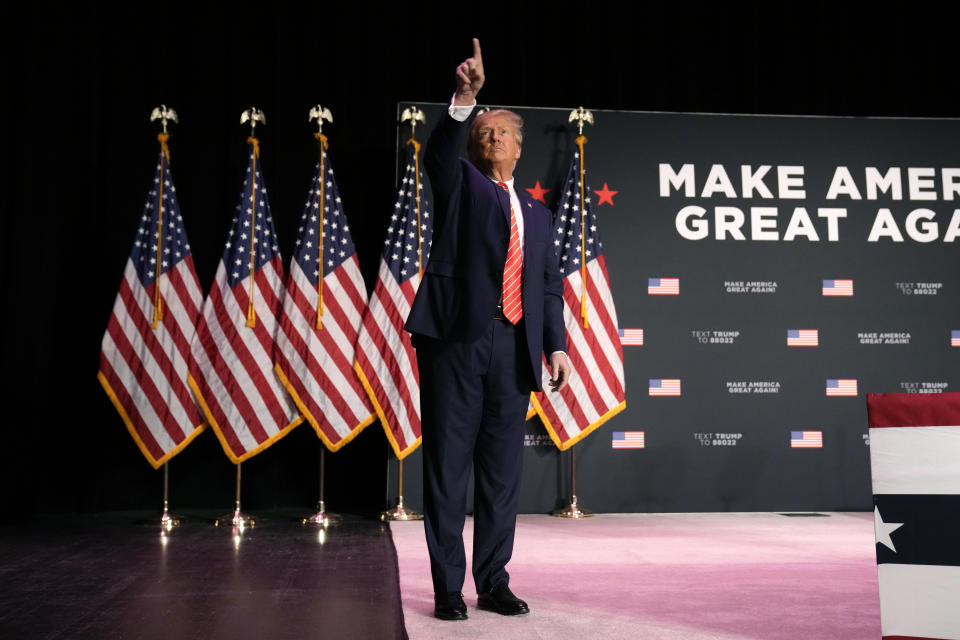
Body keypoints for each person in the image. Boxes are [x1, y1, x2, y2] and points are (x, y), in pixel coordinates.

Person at [405, 38, 572, 621]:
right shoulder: (462, 187)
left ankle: (493, 581)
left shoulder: (540, 214)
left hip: (514, 349)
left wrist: (556, 344)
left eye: (501, 131)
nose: (491, 135)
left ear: (520, 147)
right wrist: (464, 100)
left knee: (501, 477)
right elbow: (441, 156)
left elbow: (547, 285)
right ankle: (448, 588)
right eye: (484, 131)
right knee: (448, 468)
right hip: (457, 340)